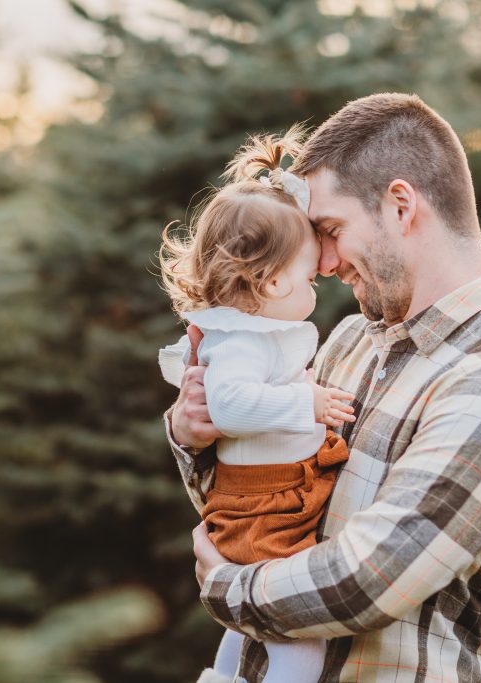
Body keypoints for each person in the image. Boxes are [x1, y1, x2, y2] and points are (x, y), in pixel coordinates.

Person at [165, 93, 481, 683]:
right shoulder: (350, 339)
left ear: (401, 206)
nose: (322, 262)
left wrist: (228, 588)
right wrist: (193, 434)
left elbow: (369, 580)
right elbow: (261, 503)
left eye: (330, 230)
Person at [156, 128, 357, 683]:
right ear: (269, 282)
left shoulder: (255, 332)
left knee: (245, 632)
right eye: (306, 278)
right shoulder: (244, 341)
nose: (320, 282)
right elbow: (231, 404)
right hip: (265, 507)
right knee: (299, 641)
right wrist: (307, 403)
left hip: (269, 495)